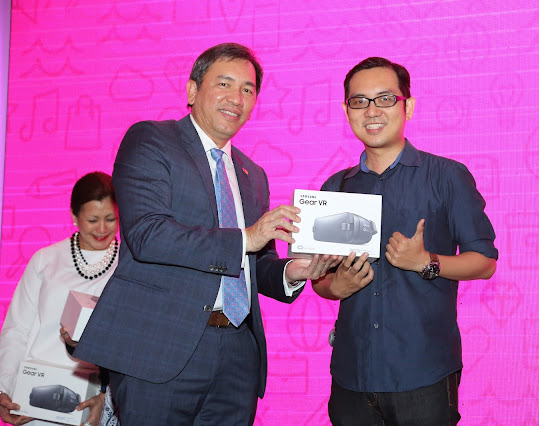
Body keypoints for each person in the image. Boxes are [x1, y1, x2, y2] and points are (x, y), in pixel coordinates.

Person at [73, 43, 340, 425]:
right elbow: (147, 234)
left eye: (248, 89)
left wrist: (290, 272)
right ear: (192, 89)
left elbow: (254, 260)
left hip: (237, 355)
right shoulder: (151, 140)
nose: (237, 98)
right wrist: (246, 238)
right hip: (159, 349)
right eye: (224, 84)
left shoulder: (253, 174)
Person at [312, 57, 499, 425]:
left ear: (407, 106)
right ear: (346, 111)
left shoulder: (447, 176)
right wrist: (337, 286)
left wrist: (426, 262)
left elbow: (484, 261)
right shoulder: (334, 188)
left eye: (385, 99)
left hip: (423, 373)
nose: (371, 111)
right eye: (359, 101)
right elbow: (320, 279)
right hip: (351, 375)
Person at [0, 171, 120, 426]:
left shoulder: (129, 265)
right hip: (33, 399)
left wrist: (107, 399)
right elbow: (16, 330)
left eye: (110, 219)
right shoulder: (46, 260)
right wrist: (5, 389)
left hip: (92, 405)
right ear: (74, 216)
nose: (102, 229)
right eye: (93, 220)